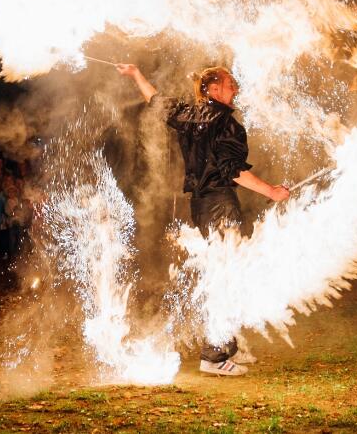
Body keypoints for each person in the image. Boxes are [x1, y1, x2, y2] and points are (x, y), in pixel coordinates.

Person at [117, 63, 289, 377]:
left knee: (226, 270)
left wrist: (136, 74)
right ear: (213, 89)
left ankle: (227, 344)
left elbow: (156, 101)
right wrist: (272, 191)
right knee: (227, 275)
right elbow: (233, 171)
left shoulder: (190, 115)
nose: (235, 88)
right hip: (220, 203)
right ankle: (213, 355)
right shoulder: (226, 124)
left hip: (201, 206)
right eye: (230, 83)